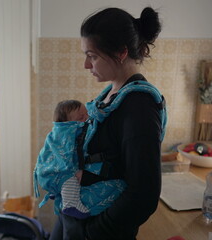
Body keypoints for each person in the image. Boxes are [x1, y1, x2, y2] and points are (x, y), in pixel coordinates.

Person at [49, 6, 166, 240]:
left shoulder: (139, 106)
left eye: (92, 56)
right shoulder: (110, 93)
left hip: (97, 230)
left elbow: (143, 194)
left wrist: (92, 232)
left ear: (121, 52)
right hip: (76, 217)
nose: (85, 64)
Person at [34, 100, 126, 220]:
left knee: (68, 177)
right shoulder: (66, 131)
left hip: (49, 170)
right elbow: (66, 152)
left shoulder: (63, 131)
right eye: (82, 117)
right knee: (70, 176)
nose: (87, 118)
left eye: (87, 113)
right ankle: (71, 203)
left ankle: (57, 189)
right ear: (67, 122)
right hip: (53, 169)